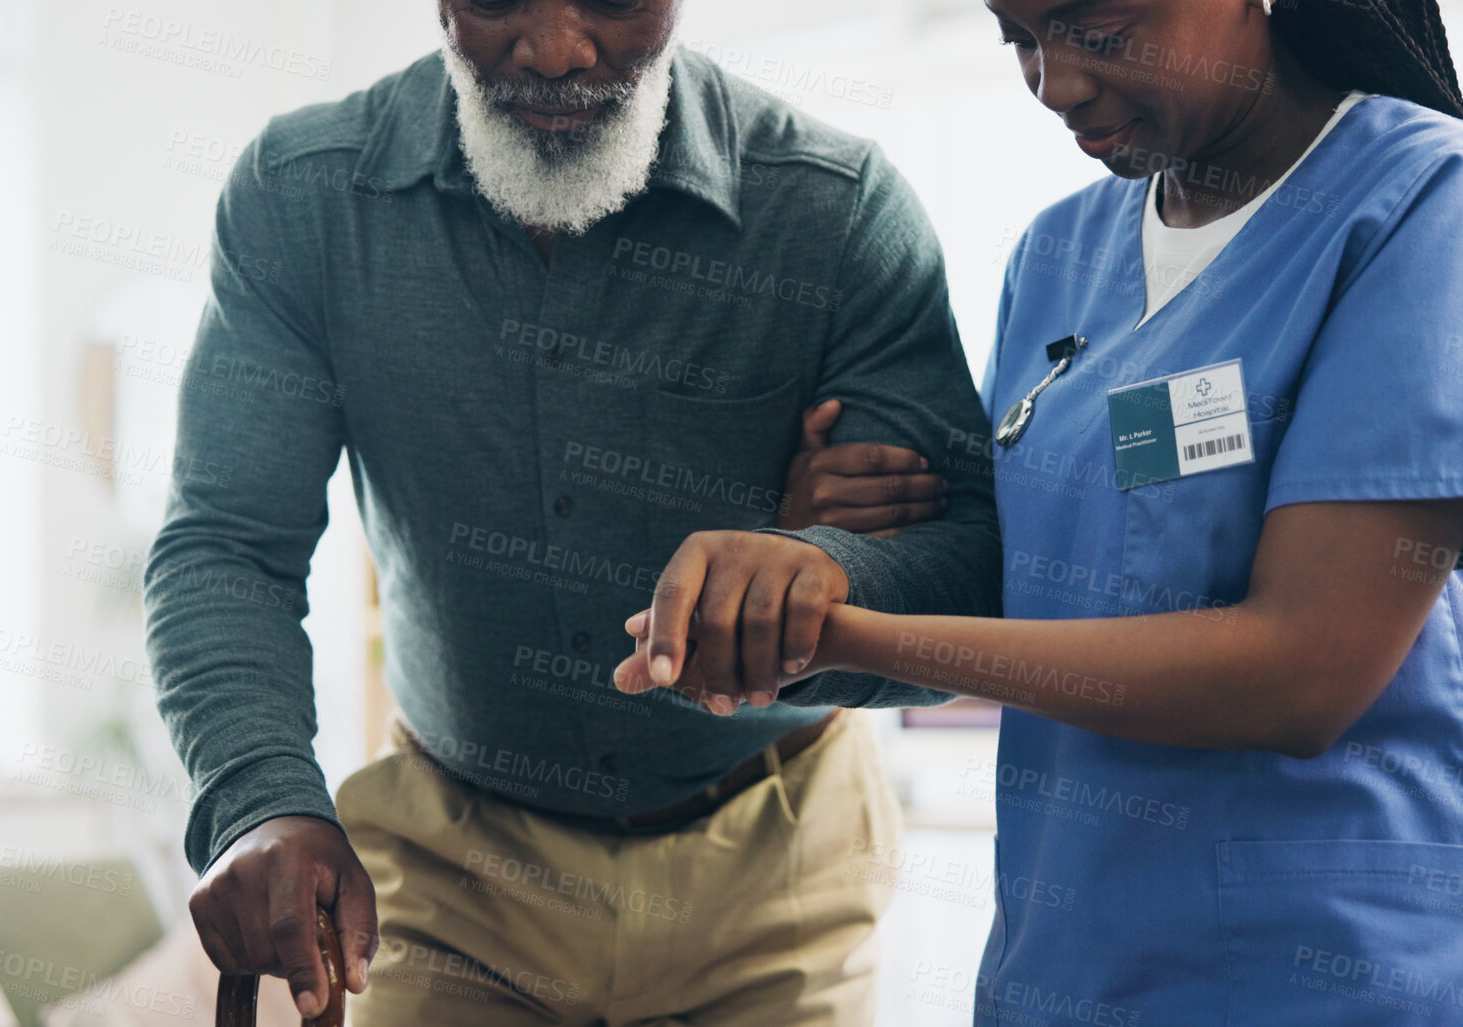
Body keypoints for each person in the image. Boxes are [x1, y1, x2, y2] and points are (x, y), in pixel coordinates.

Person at [616, 0, 1463, 1023]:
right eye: (1022, 40)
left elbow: (1302, 674)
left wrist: (848, 630)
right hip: (1076, 973)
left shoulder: (1437, 198)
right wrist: (821, 562)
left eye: (1100, 29)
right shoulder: (1058, 258)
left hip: (1351, 967)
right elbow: (1022, 589)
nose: (1058, 83)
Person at [141, 0, 1005, 1022]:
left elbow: (964, 564)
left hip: (774, 866)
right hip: (454, 870)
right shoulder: (304, 199)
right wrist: (259, 801)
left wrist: (822, 576)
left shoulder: (838, 212)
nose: (554, 51)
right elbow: (228, 545)